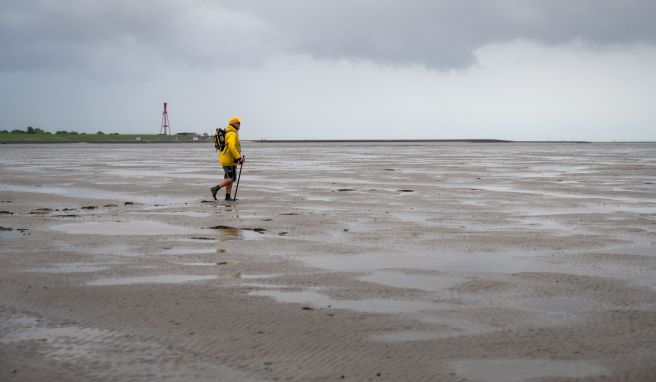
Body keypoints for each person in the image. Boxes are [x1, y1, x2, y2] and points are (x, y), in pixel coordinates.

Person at [211, 117, 245, 201]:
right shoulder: (232, 133)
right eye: (238, 123)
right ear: (234, 124)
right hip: (229, 159)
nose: (240, 125)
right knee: (232, 178)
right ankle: (215, 188)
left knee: (228, 179)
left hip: (226, 158)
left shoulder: (228, 132)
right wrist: (239, 158)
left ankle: (228, 196)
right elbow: (231, 147)